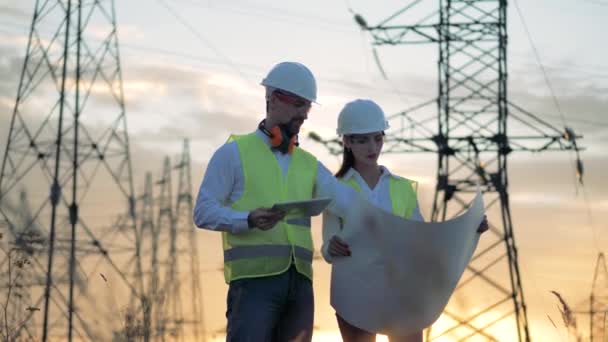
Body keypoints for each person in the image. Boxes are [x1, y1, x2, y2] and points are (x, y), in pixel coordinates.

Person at [193, 61, 357, 342]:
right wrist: (246, 219)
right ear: (272, 99)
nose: (304, 114)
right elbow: (203, 211)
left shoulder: (309, 164)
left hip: (301, 286)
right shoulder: (234, 154)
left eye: (307, 106)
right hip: (254, 285)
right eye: (297, 104)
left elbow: (350, 204)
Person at [321, 99, 489, 342]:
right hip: (355, 293)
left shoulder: (402, 189)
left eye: (377, 138)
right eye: (362, 139)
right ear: (346, 141)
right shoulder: (335, 189)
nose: (372, 146)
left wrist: (469, 230)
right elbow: (327, 249)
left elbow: (420, 240)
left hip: (401, 291)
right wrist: (332, 247)